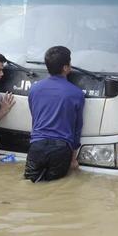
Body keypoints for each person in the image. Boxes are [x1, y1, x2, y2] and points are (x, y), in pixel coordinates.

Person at [24, 46, 84, 183]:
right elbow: (77, 128)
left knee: (30, 185)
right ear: (65, 68)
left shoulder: (34, 89)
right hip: (61, 149)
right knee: (56, 188)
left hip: (36, 146)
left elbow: (35, 119)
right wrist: (73, 159)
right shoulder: (76, 94)